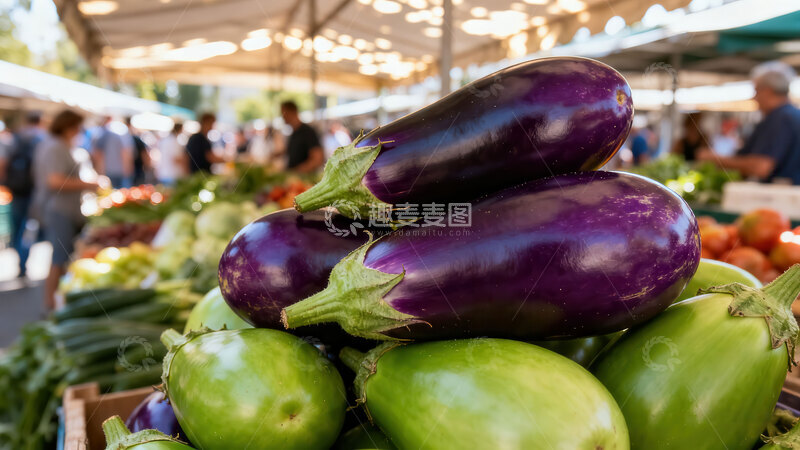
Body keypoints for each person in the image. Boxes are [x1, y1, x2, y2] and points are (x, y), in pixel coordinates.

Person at [32, 110, 103, 310]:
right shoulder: (55, 147)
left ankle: (59, 300)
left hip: (66, 209)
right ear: (68, 126)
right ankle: (50, 304)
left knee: (64, 257)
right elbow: (54, 180)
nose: (79, 131)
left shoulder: (60, 145)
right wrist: (87, 184)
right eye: (77, 127)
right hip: (58, 210)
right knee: (59, 258)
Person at [698, 61, 800, 184]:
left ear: (767, 91)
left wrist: (715, 159)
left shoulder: (780, 119)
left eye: (756, 91)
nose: (754, 97)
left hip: (780, 198)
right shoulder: (792, 115)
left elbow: (761, 167)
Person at [0, 113, 44, 279]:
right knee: (29, 227)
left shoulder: (14, 138)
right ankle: (24, 259)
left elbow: (2, 162)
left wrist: (5, 183)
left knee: (17, 226)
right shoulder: (41, 139)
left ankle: (20, 261)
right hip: (34, 190)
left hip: (16, 190)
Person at [280, 101, 323, 173]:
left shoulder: (307, 131)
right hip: (293, 178)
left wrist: (297, 171)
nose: (283, 117)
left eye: (284, 113)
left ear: (292, 112)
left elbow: (318, 159)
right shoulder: (293, 133)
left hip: (304, 179)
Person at [92, 116, 133, 188]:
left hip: (109, 170)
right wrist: (127, 167)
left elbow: (98, 153)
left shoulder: (104, 133)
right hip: (116, 171)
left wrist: (99, 170)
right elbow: (125, 152)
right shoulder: (121, 131)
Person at [125, 117, 150, 185]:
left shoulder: (133, 139)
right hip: (136, 170)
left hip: (134, 169)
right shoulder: (135, 139)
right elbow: (145, 154)